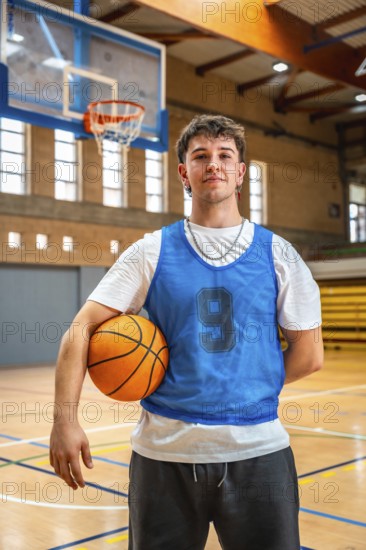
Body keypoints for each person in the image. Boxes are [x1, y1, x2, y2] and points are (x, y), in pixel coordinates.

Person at [50, 114, 323, 550]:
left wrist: (239, 381)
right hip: (163, 457)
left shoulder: (279, 254)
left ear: (240, 173)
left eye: (224, 156)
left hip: (259, 452)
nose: (212, 164)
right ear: (184, 173)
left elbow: (309, 355)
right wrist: (65, 420)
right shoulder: (150, 251)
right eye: (200, 156)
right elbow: (79, 329)